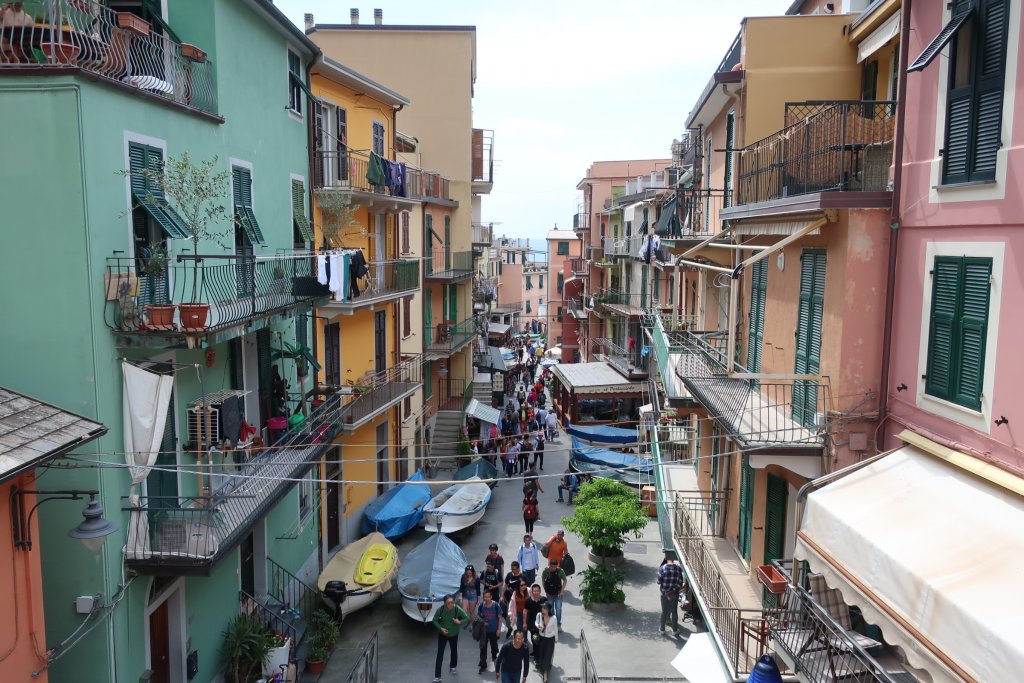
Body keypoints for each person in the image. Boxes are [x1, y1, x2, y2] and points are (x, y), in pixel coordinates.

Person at [432, 594, 469, 682]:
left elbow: (466, 618)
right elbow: (434, 620)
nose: (451, 604)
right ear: (445, 603)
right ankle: (437, 676)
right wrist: (440, 628)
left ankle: (453, 666)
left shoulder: (457, 609)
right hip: (443, 635)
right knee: (440, 654)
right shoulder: (440, 610)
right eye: (449, 603)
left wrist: (459, 621)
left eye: (452, 602)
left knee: (454, 650)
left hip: (454, 634)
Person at [657, 554, 684, 634]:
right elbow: (680, 583)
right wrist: (672, 590)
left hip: (664, 594)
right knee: (674, 611)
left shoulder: (662, 569)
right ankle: (675, 630)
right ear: (673, 560)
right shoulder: (678, 569)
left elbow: (658, 582)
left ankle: (662, 629)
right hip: (674, 594)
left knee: (664, 611)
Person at [477, 590, 503, 673]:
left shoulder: (496, 605)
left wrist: (499, 629)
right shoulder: (481, 605)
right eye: (485, 597)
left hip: (493, 631)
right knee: (483, 648)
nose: (486, 598)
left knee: (494, 646)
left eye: (488, 596)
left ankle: (494, 657)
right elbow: (478, 616)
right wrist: (482, 622)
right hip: (484, 631)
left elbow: (500, 618)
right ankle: (483, 664)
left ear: (491, 597)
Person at [541, 558, 568, 632]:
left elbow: (565, 580)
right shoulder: (546, 571)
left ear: (557, 565)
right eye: (552, 567)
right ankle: (552, 624)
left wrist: (562, 591)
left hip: (558, 594)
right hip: (550, 594)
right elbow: (543, 579)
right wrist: (546, 591)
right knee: (551, 609)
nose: (553, 568)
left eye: (555, 567)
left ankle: (558, 625)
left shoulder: (560, 571)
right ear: (549, 565)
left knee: (558, 609)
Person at [534, 603, 558, 682]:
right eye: (542, 608)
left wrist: (556, 639)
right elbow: (536, 623)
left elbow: (556, 629)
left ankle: (545, 674)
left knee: (548, 655)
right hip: (541, 638)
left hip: (550, 639)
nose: (542, 609)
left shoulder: (553, 618)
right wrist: (539, 626)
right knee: (542, 654)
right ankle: (543, 667)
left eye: (544, 608)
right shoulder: (539, 615)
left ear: (548, 610)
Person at [524, 584, 548, 652]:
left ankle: (540, 653)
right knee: (534, 639)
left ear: (540, 591)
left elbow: (548, 612)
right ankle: (536, 654)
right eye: (534, 591)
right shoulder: (528, 601)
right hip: (532, 623)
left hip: (542, 624)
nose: (535, 592)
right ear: (532, 592)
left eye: (537, 591)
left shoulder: (544, 599)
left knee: (542, 639)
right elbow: (525, 612)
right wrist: (524, 623)